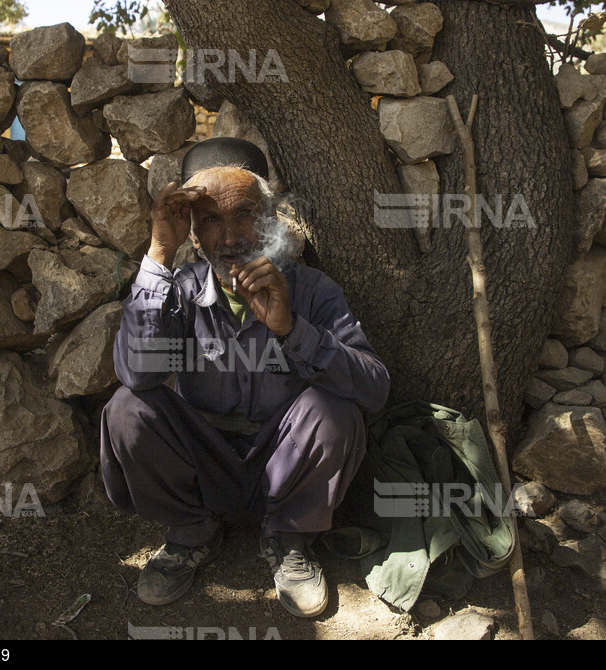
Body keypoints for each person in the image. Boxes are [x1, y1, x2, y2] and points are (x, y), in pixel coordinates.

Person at [99, 137, 390, 618]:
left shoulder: (311, 292)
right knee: (128, 408)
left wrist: (293, 329)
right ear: (192, 231)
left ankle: (290, 539)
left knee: (334, 408)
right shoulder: (180, 291)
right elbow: (137, 373)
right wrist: (157, 254)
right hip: (204, 464)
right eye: (210, 219)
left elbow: (374, 389)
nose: (230, 237)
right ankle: (191, 533)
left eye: (245, 215)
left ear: (272, 218)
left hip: (285, 468)